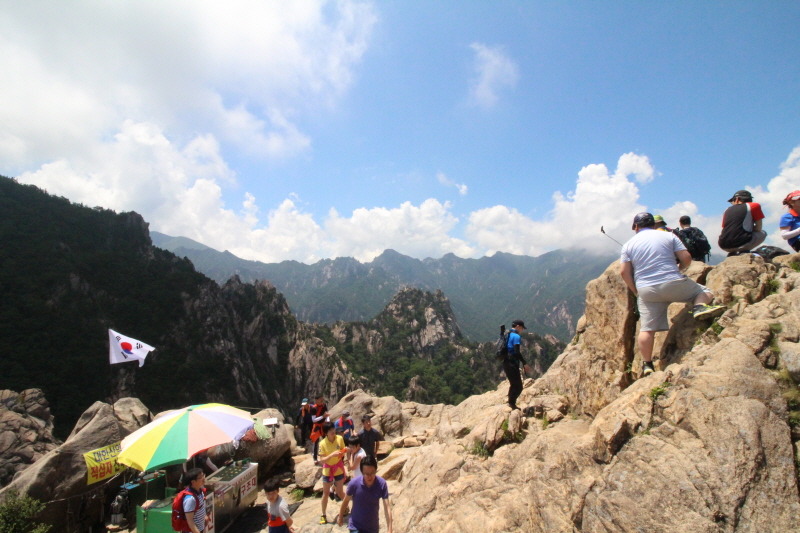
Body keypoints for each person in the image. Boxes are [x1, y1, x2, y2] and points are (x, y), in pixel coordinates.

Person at [620, 212, 725, 376]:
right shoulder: (669, 236)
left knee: (647, 329)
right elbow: (687, 258)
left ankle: (647, 364)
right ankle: (699, 307)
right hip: (672, 282)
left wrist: (635, 291)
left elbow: (624, 272)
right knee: (704, 291)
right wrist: (680, 269)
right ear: (653, 224)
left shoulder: (628, 245)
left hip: (646, 290)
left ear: (635, 226)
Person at [337, 455, 393, 533]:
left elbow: (387, 507)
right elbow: (346, 501)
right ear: (362, 472)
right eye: (366, 474)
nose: (369, 477)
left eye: (372, 473)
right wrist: (340, 516)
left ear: (376, 470)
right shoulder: (354, 484)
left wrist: (389, 529)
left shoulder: (381, 484)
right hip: (355, 526)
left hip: (372, 528)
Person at [718, 189, 767, 255]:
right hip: (742, 243)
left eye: (732, 201)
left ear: (737, 199)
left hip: (723, 245)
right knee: (763, 233)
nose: (732, 203)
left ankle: (732, 253)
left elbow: (727, 229)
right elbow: (758, 228)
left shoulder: (726, 210)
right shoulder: (754, 206)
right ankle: (743, 251)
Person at [318, 421, 346, 525]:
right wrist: (331, 455)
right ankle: (323, 514)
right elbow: (321, 460)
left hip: (338, 467)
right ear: (326, 433)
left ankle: (346, 507)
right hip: (327, 469)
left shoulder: (340, 438)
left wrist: (342, 453)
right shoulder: (322, 443)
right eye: (330, 430)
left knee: (340, 492)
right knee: (325, 493)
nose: (333, 431)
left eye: (333, 429)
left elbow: (343, 450)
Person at [504, 319, 532, 410]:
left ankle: (510, 402)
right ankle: (511, 404)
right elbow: (516, 352)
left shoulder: (507, 334)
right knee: (519, 386)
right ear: (518, 326)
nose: (522, 330)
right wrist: (524, 363)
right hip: (512, 363)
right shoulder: (516, 336)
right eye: (522, 328)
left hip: (505, 362)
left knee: (513, 384)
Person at [179, 468, 210, 533]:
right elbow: (190, 521)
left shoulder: (200, 491)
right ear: (193, 482)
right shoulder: (190, 499)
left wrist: (204, 516)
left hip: (200, 528)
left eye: (203, 475)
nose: (203, 478)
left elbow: (200, 507)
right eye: (200, 477)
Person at [310, 394, 328, 463]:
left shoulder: (324, 406)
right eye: (320, 399)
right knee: (316, 442)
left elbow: (326, 414)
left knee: (326, 440)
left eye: (322, 399)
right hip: (317, 426)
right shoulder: (314, 408)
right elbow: (314, 420)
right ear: (316, 400)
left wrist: (327, 420)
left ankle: (326, 455)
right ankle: (315, 458)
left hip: (323, 425)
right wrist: (322, 417)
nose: (322, 400)